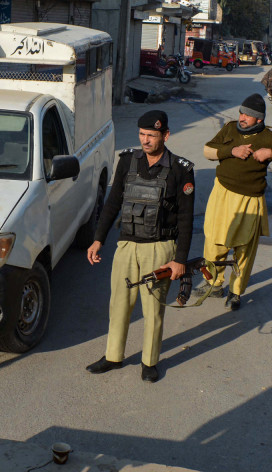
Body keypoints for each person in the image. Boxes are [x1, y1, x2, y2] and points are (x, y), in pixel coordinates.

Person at [85, 110, 195, 383]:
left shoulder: (181, 170)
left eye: (152, 136)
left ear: (165, 135)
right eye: (142, 135)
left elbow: (185, 218)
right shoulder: (127, 162)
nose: (146, 141)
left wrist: (180, 259)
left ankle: (150, 361)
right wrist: (99, 239)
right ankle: (113, 355)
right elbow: (112, 203)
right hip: (127, 245)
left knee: (153, 309)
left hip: (159, 248)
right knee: (119, 304)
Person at [196, 94, 272, 310]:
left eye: (248, 115)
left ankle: (235, 292)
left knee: (244, 249)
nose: (242, 117)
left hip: (250, 199)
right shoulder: (229, 128)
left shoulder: (270, 137)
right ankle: (214, 284)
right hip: (222, 193)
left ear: (259, 119)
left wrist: (271, 153)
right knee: (214, 241)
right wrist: (230, 151)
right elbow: (207, 150)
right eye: (241, 112)